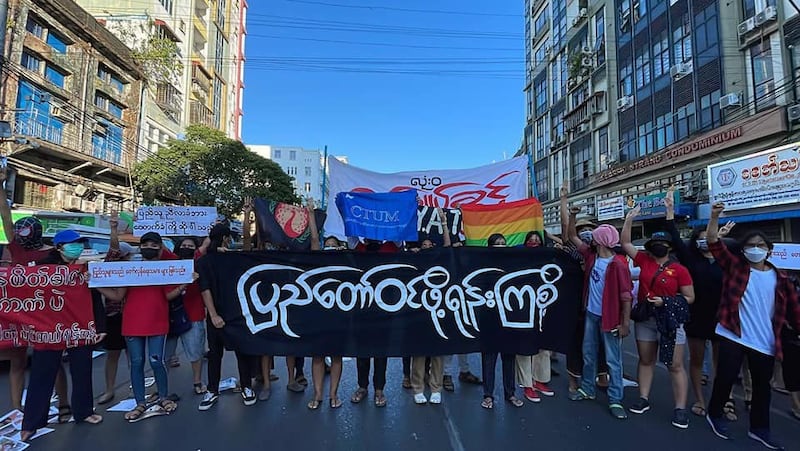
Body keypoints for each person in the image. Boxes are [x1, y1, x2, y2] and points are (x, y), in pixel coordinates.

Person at [705, 202, 800, 450]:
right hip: (732, 334)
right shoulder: (736, 267)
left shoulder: (782, 279)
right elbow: (714, 242)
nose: (755, 249)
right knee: (724, 379)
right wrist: (714, 216)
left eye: (760, 246)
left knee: (762, 389)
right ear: (743, 250)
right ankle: (714, 414)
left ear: (769, 250)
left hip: (765, 342)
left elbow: (793, 311)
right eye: (750, 246)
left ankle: (760, 429)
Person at [19, 229, 105, 441]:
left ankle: (84, 411)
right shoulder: (42, 268)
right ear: (59, 247)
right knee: (41, 375)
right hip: (50, 330)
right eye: (72, 244)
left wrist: (99, 326)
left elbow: (94, 299)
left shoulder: (85, 268)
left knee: (82, 370)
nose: (77, 247)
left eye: (79, 244)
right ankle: (32, 422)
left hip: (80, 326)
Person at [663, 187, 736, 419]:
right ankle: (700, 400)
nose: (706, 242)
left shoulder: (726, 260)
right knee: (695, 361)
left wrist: (718, 230)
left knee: (722, 363)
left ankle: (725, 400)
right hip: (696, 316)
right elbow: (674, 235)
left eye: (709, 239)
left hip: (722, 317)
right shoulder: (690, 258)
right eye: (701, 239)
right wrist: (670, 212)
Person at [99, 232, 186, 422]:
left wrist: (183, 285)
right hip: (132, 323)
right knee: (136, 363)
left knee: (157, 361)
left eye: (154, 245)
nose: (150, 248)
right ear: (140, 247)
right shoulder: (131, 269)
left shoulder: (165, 270)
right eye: (146, 244)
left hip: (157, 322)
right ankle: (140, 402)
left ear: (161, 248)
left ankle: (163, 396)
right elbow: (118, 296)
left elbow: (168, 296)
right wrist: (95, 284)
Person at [622, 205, 695, 429]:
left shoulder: (679, 269)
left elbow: (689, 297)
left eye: (663, 243)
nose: (659, 246)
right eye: (655, 243)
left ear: (670, 246)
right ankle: (643, 398)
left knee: (675, 364)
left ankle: (680, 408)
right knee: (646, 359)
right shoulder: (644, 260)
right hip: (646, 319)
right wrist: (628, 220)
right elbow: (625, 244)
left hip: (670, 320)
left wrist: (666, 302)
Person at [565, 199, 632, 420]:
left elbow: (626, 296)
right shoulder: (591, 256)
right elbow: (573, 237)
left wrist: (624, 323)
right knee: (588, 353)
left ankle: (615, 399)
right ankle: (588, 388)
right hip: (591, 315)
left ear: (600, 241)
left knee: (613, 360)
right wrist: (573, 216)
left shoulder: (618, 265)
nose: (588, 237)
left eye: (593, 236)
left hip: (610, 319)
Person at [0, 166, 56, 411]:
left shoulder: (53, 254)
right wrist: (1, 187)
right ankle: (16, 408)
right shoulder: (17, 249)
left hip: (47, 315)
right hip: (20, 314)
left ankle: (56, 401)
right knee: (18, 361)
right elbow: (5, 216)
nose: (18, 236)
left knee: (49, 361)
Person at [197, 224, 261, 411]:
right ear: (226, 238)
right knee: (225, 353)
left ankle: (234, 388)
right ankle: (227, 389)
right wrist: (214, 314)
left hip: (230, 313)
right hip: (229, 313)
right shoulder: (215, 260)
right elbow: (205, 288)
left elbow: (204, 289)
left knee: (223, 354)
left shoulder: (211, 260)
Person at [558, 186, 610, 393]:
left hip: (597, 305)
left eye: (590, 229)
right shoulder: (573, 249)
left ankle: (601, 375)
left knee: (601, 344)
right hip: (574, 304)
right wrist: (565, 202)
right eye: (582, 230)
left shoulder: (602, 254)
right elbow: (566, 228)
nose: (586, 232)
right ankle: (573, 380)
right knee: (575, 343)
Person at [351, 238, 397, 407]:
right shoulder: (359, 246)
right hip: (362, 307)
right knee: (362, 349)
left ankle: (379, 389)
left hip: (384, 307)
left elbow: (400, 231)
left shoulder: (391, 246)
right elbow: (350, 230)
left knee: (380, 350)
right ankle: (362, 386)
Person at [307, 198, 344, 409]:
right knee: (318, 356)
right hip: (319, 315)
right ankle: (318, 394)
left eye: (334, 246)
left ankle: (333, 395)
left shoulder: (345, 264)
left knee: (337, 356)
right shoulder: (317, 259)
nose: (329, 248)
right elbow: (313, 238)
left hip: (338, 315)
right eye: (327, 246)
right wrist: (311, 215)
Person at [480, 233, 523, 409]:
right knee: (489, 359)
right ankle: (488, 395)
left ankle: (510, 393)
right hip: (489, 319)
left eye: (503, 243)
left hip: (509, 319)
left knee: (509, 358)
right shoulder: (482, 266)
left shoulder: (512, 265)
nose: (501, 246)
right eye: (497, 244)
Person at [98, 212, 135, 405]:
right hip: (113, 315)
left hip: (131, 316)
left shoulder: (137, 269)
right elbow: (113, 248)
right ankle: (109, 389)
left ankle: (134, 388)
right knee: (113, 354)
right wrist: (113, 230)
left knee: (133, 356)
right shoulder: (110, 266)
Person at [171, 237, 208, 395]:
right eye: (184, 245)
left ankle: (197, 381)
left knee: (195, 352)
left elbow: (206, 244)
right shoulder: (169, 263)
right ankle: (162, 388)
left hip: (193, 313)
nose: (186, 248)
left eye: (190, 246)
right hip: (170, 315)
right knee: (164, 356)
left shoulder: (198, 262)